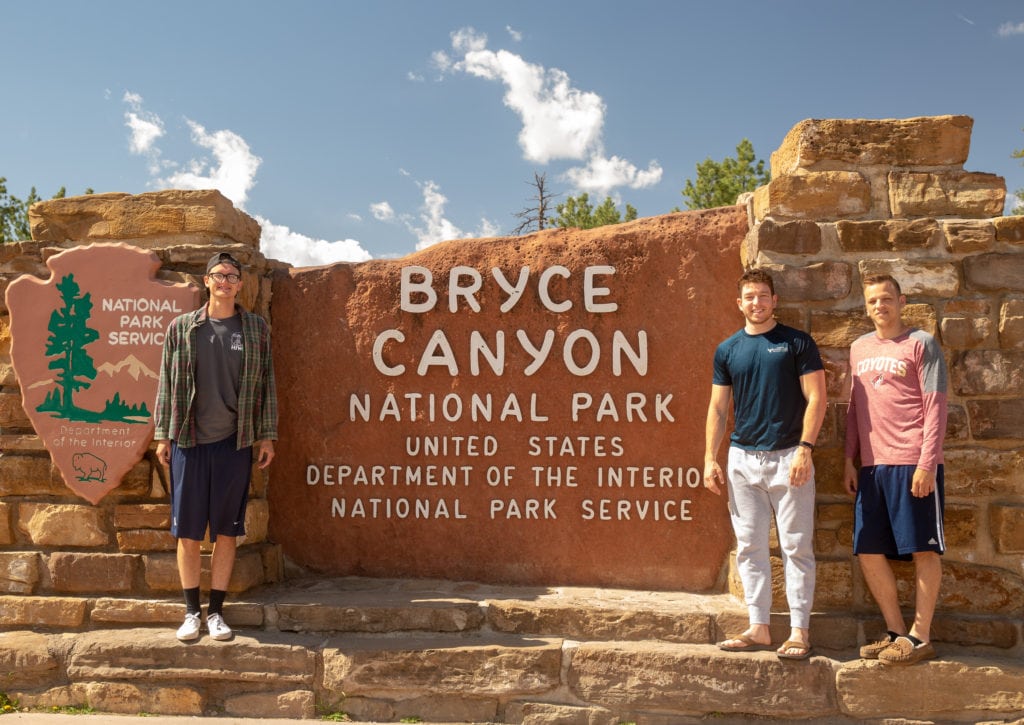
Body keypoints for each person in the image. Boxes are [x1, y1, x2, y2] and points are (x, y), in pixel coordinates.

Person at [154, 251, 278, 642]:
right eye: (218, 275)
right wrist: (162, 433)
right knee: (188, 534)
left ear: (240, 285)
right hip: (188, 442)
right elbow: (165, 382)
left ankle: (217, 614)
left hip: (235, 442)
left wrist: (266, 434)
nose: (225, 281)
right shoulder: (182, 328)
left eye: (232, 276)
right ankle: (191, 612)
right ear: (206, 281)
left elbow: (267, 386)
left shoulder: (255, 329)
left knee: (226, 532)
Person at [704, 268, 826, 660]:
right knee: (749, 548)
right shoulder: (728, 350)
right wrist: (710, 458)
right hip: (742, 458)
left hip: (790, 456)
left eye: (762, 296)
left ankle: (798, 631)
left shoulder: (797, 343)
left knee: (796, 547)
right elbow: (719, 408)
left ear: (774, 301)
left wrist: (805, 448)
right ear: (739, 303)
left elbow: (817, 398)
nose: (756, 302)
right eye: (749, 297)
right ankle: (758, 627)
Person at [844, 273, 948, 666]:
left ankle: (920, 638)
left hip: (913, 464)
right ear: (866, 306)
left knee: (923, 548)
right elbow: (855, 410)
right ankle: (895, 631)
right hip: (872, 469)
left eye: (886, 299)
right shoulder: (859, 348)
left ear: (901, 302)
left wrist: (926, 463)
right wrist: (848, 460)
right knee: (868, 550)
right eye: (872, 301)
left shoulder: (922, 344)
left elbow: (936, 406)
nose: (879, 306)